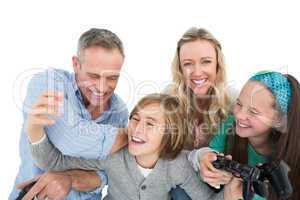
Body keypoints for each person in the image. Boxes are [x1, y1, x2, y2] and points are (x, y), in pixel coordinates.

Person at [25, 93, 241, 200]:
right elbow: (54, 161)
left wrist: (231, 190)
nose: (137, 129)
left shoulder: (178, 165)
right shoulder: (112, 155)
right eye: (135, 119)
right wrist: (34, 130)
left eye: (150, 124)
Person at [10, 28, 128, 200]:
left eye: (112, 77)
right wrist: (127, 137)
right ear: (75, 64)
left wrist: (71, 178)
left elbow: (108, 175)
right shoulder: (48, 82)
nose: (102, 87)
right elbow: (71, 139)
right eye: (93, 76)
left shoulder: (119, 111)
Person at [192, 71, 300, 200]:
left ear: (278, 120)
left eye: (253, 112)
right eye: (239, 104)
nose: (239, 115)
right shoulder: (229, 126)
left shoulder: (293, 155)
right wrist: (206, 163)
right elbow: (207, 160)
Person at [167, 27, 235, 199]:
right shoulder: (168, 99)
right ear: (180, 69)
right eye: (188, 64)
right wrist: (199, 157)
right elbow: (161, 155)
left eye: (206, 61)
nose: (197, 72)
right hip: (179, 185)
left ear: (217, 64)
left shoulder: (234, 102)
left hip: (221, 186)